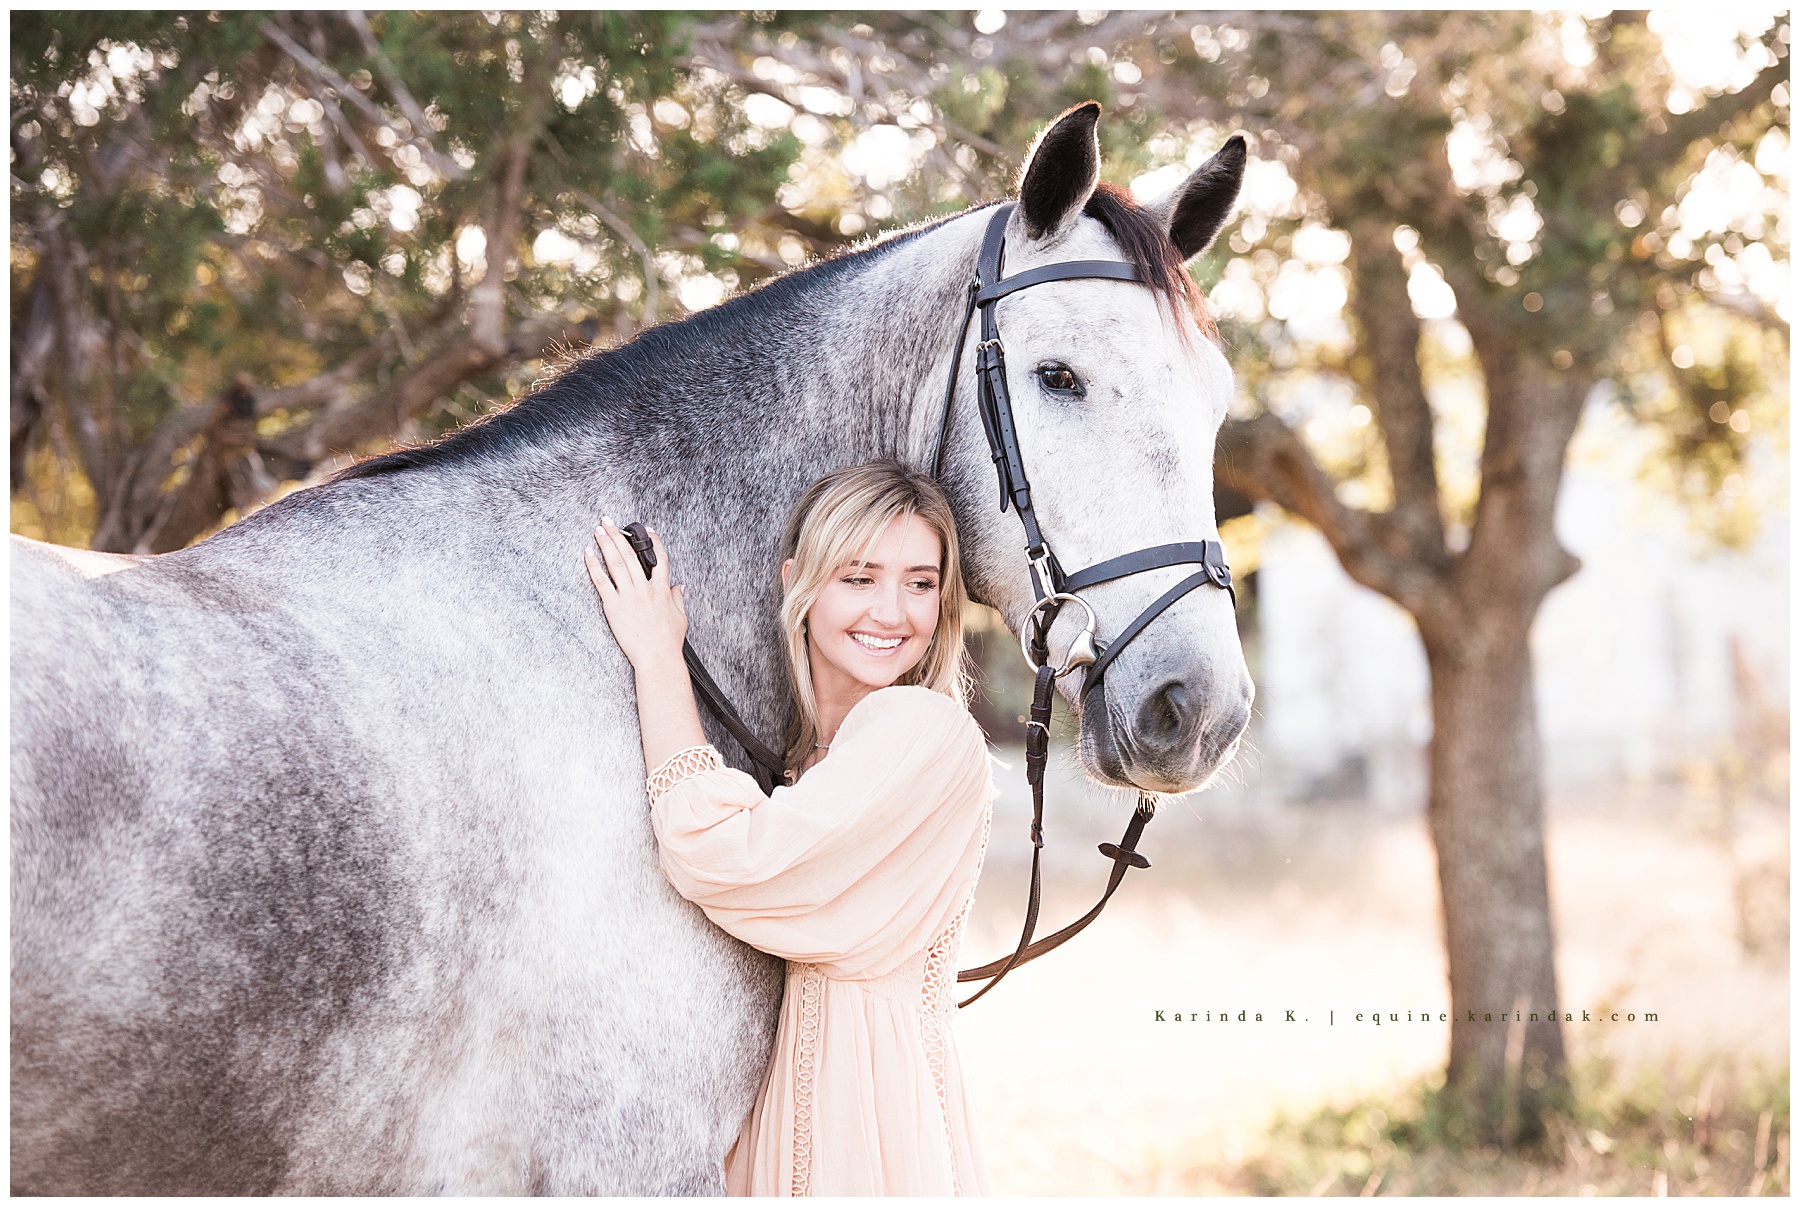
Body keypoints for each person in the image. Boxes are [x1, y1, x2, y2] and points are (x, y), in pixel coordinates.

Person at [584, 460, 996, 1197]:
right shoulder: (814, 763)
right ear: (797, 582)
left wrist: (656, 654)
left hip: (871, 1132)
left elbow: (720, 852)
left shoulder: (925, 729)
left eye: (921, 583)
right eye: (859, 577)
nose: (893, 611)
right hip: (788, 1121)